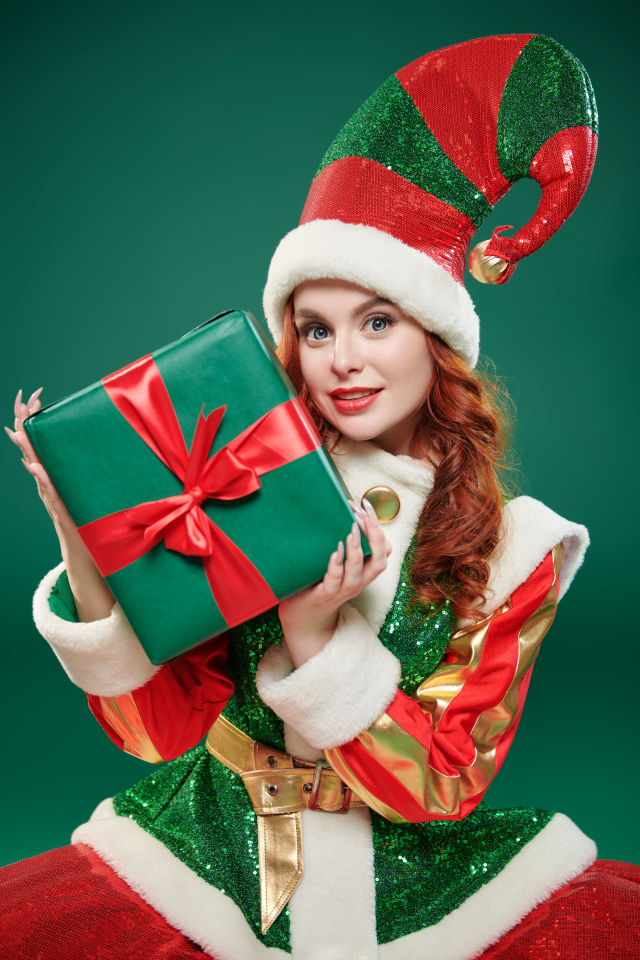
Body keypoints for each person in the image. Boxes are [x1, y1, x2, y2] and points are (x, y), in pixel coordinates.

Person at [2, 32, 638, 960]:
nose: (343, 360)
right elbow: (154, 727)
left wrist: (314, 635)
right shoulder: (237, 480)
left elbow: (445, 781)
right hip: (209, 855)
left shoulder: (518, 550)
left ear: (435, 340)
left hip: (418, 880)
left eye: (376, 322)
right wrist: (85, 534)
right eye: (315, 329)